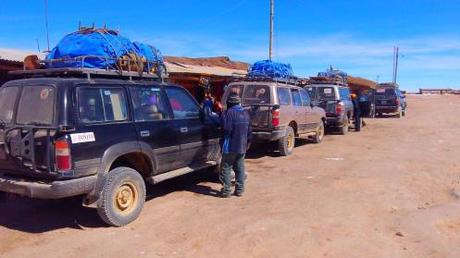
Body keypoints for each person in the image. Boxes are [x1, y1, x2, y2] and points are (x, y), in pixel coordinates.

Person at [220, 93, 252, 198]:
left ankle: (226, 191)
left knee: (226, 168)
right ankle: (240, 191)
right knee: (240, 168)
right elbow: (250, 131)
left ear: (229, 102)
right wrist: (248, 143)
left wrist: (222, 115)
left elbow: (227, 129)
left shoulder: (229, 113)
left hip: (230, 146)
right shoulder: (246, 113)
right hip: (242, 146)